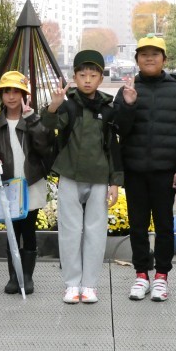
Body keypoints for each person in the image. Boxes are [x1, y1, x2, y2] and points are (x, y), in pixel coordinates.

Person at [113, 34, 176, 302]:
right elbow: (119, 129)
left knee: (164, 226)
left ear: (164, 60)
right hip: (135, 170)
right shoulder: (127, 90)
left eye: (155, 54)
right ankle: (141, 275)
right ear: (137, 60)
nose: (149, 58)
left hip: (165, 172)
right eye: (144, 54)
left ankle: (161, 276)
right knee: (137, 226)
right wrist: (128, 104)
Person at [41, 50, 126, 304]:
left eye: (93, 75)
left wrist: (115, 182)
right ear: (74, 76)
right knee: (69, 231)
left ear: (101, 78)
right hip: (70, 175)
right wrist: (54, 104)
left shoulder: (108, 109)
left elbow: (113, 146)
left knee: (95, 232)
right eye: (82, 75)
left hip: (99, 177)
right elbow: (49, 125)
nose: (87, 80)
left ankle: (89, 285)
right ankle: (71, 284)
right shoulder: (68, 104)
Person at [0, 71, 54, 295]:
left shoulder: (34, 119)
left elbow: (45, 147)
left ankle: (28, 276)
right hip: (8, 185)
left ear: (24, 95)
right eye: (7, 92)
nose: (12, 96)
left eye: (17, 91)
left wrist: (32, 119)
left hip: (31, 183)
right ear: (1, 95)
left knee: (29, 229)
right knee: (12, 231)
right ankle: (14, 276)